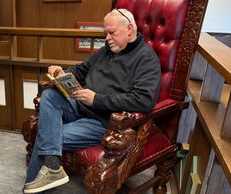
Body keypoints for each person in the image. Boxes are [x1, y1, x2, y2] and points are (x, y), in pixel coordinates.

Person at [23, 8, 161, 193]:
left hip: (103, 121)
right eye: (106, 33)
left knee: (47, 135)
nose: (107, 38)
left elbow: (143, 100)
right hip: (79, 106)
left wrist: (96, 99)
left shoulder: (147, 59)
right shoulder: (106, 51)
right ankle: (53, 167)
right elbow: (80, 70)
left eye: (112, 33)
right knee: (50, 95)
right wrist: (62, 73)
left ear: (129, 29)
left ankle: (30, 187)